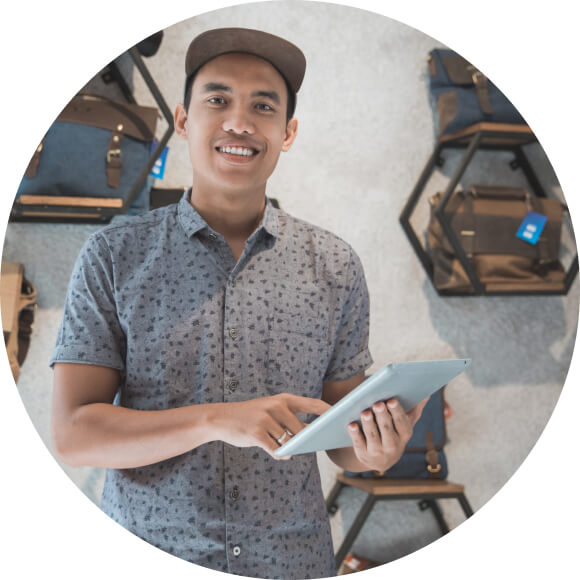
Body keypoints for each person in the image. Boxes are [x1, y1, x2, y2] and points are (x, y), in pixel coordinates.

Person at [50, 28, 427, 579]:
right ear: (183, 120)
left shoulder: (335, 265)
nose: (239, 122)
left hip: (293, 562)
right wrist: (215, 420)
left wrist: (378, 450)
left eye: (263, 106)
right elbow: (74, 433)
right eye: (218, 100)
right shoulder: (113, 256)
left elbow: (343, 439)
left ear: (288, 131)